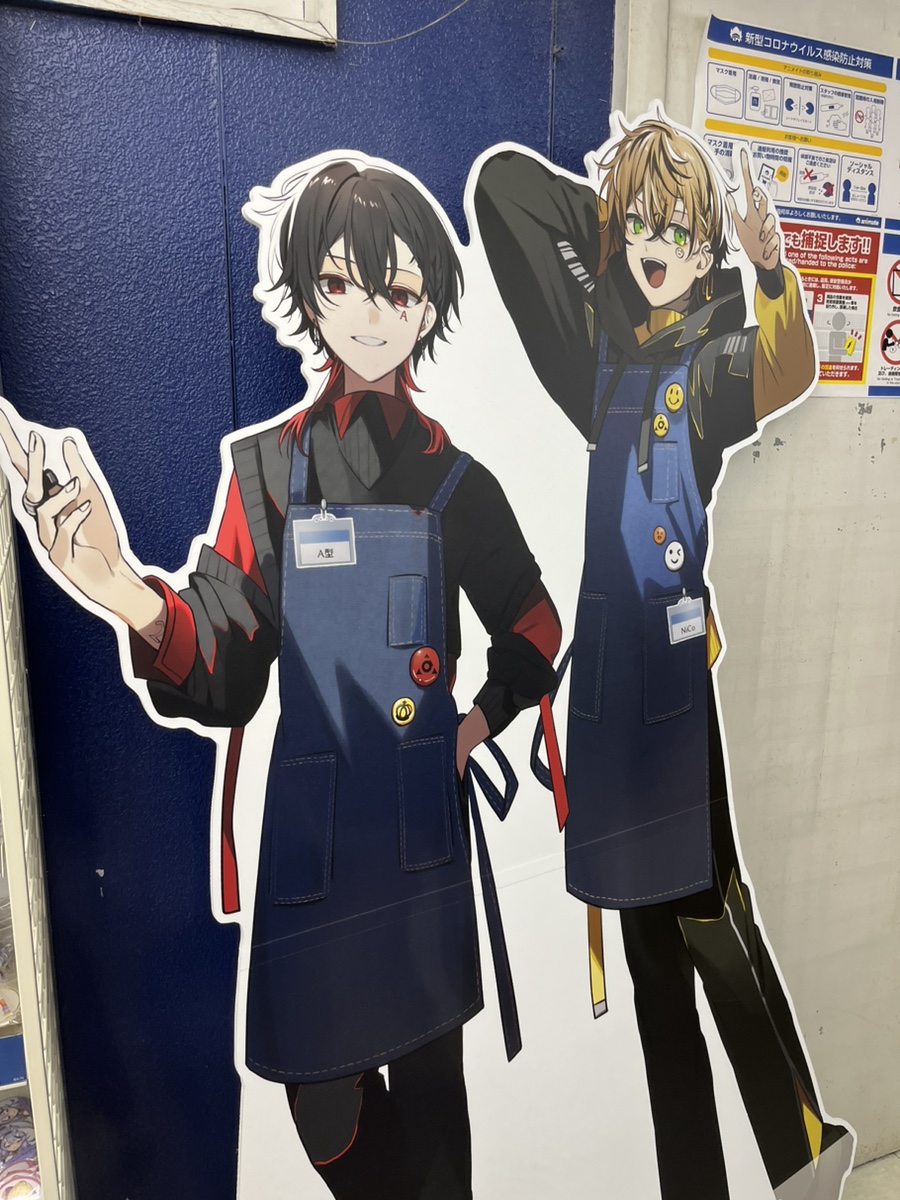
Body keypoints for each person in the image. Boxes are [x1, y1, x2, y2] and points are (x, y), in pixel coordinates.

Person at [0, 158, 560, 1200]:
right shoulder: (266, 471)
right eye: (342, 283)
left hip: (423, 841)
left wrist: (475, 725)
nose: (371, 313)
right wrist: (123, 590)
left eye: (398, 290)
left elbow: (535, 625)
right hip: (313, 852)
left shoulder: (458, 483)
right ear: (309, 292)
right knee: (323, 1102)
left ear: (425, 306)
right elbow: (224, 667)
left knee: (434, 1101)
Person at [473, 114, 854, 1200]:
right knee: (650, 964)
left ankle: (800, 1159)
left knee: (710, 920)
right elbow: (505, 189)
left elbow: (785, 366)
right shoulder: (593, 358)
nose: (657, 247)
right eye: (642, 227)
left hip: (675, 690)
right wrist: (619, 194)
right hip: (605, 691)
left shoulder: (713, 359)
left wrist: (762, 269)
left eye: (680, 233)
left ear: (706, 253)